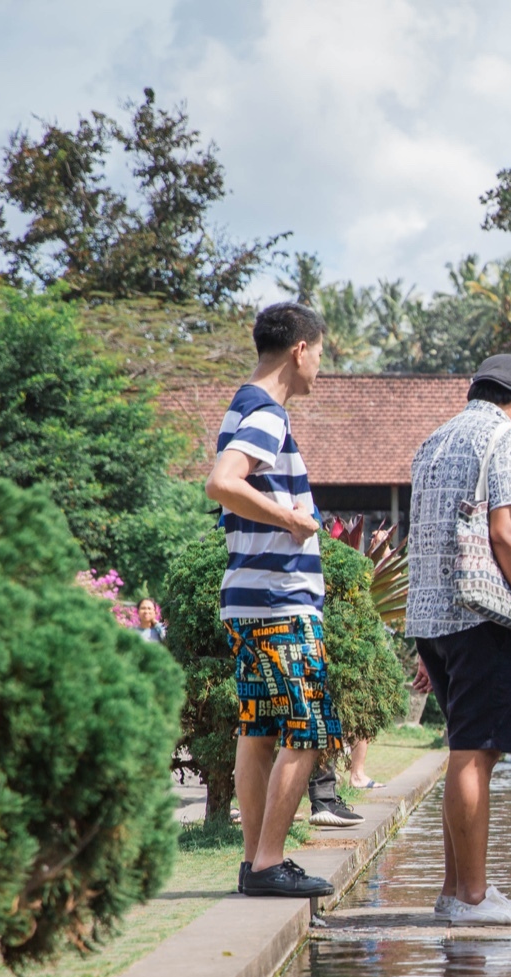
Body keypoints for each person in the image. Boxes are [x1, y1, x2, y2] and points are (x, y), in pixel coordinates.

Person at [404, 354, 511, 924]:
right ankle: (471, 897)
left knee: (463, 748)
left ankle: (453, 892)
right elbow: (507, 530)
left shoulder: (434, 440)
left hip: (432, 619)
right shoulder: (507, 436)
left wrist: (422, 636)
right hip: (481, 614)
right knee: (475, 754)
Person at [202, 302, 340, 898]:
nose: (321, 370)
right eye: (321, 355)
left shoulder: (244, 405)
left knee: (259, 730)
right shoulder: (267, 413)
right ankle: (269, 862)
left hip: (252, 599)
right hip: (279, 601)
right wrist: (293, 519)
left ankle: (256, 861)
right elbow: (222, 482)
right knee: (307, 729)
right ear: (299, 351)